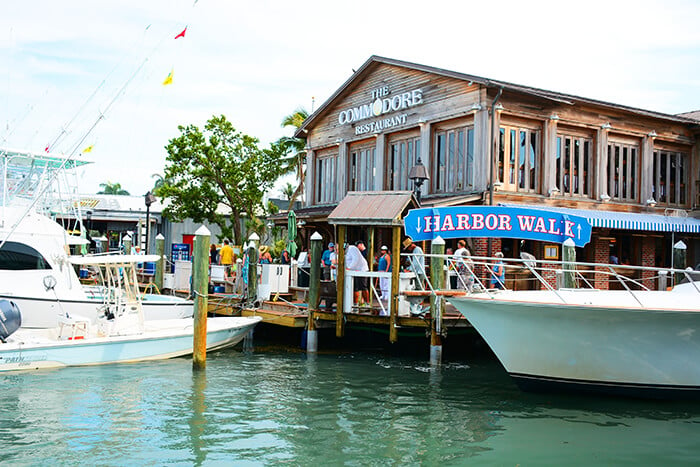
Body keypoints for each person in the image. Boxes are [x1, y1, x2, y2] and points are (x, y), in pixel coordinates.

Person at [345, 243, 369, 308]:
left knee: (363, 287)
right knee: (355, 288)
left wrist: (349, 268)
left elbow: (356, 259)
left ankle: (367, 303)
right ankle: (355, 304)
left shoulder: (352, 248)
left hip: (362, 269)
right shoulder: (343, 252)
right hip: (353, 271)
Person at [377, 245, 391, 311]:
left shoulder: (387, 256)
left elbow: (388, 264)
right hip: (380, 271)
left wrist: (386, 271)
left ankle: (386, 296)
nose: (382, 251)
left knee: (386, 284)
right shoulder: (381, 257)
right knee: (381, 284)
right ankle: (383, 295)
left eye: (384, 250)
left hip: (384, 271)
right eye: (382, 250)